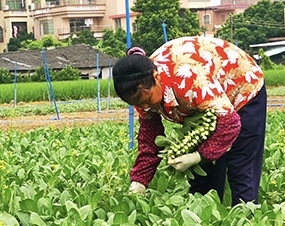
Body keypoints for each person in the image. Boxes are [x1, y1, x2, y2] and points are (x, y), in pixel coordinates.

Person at [112, 36, 266, 204]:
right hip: (208, 101)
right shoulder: (140, 94)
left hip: (242, 85)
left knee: (241, 165)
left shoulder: (188, 81)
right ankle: (208, 217)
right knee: (203, 178)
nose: (145, 107)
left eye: (147, 100)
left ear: (156, 77)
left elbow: (230, 123)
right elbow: (151, 141)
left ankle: (246, 215)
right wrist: (139, 181)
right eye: (138, 104)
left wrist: (199, 155)